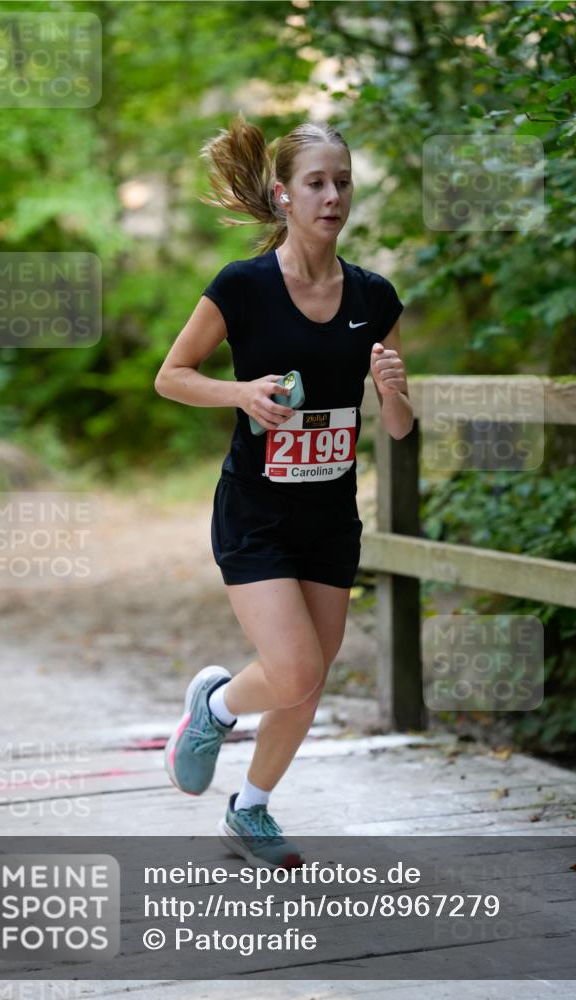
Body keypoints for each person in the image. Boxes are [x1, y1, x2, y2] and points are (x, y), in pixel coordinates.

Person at [154, 112, 413, 870]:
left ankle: (251, 809)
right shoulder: (243, 286)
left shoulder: (374, 295)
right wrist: (239, 394)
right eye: (317, 183)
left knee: (307, 683)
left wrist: (392, 390)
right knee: (294, 667)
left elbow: (399, 428)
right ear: (283, 195)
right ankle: (213, 710)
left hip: (330, 514)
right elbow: (171, 376)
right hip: (256, 510)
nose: (332, 197)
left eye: (343, 183)